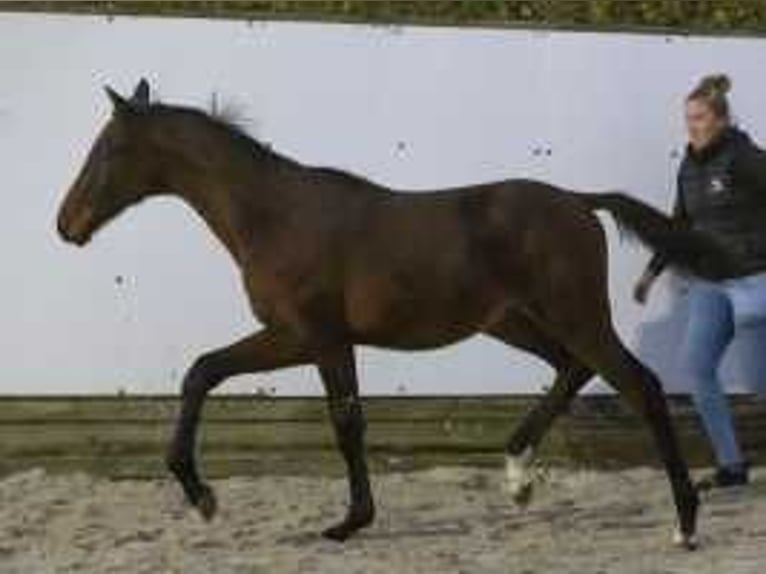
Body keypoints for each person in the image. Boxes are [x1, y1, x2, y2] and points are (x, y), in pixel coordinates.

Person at [634, 74, 766, 489]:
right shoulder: (689, 165)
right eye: (687, 119)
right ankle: (731, 466)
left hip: (753, 280)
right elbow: (680, 226)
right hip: (711, 284)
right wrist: (651, 274)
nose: (692, 126)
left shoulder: (746, 158)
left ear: (721, 119)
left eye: (700, 118)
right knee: (696, 369)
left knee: (761, 382)